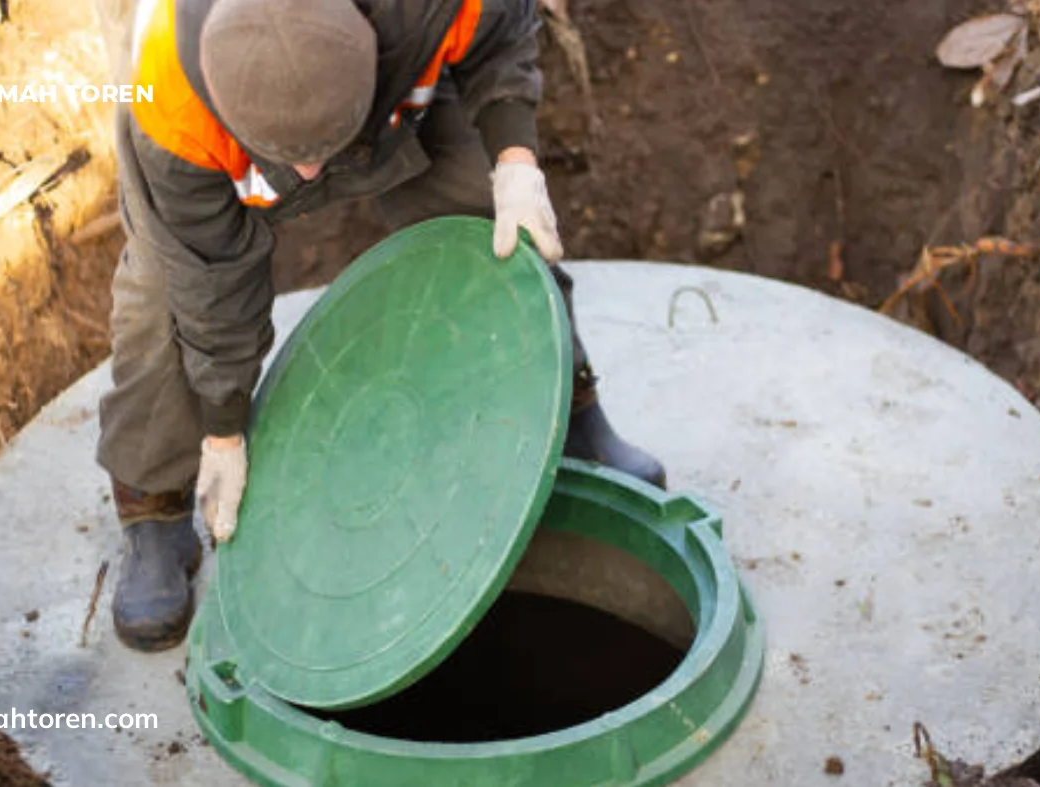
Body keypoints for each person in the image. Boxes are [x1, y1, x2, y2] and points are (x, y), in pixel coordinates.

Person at [98, 0, 666, 652]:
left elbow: (502, 32)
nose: (309, 178)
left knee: (490, 214)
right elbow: (212, 283)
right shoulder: (167, 101)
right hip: (214, 145)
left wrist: (514, 157)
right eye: (296, 161)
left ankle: (564, 403)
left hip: (391, 101)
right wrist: (223, 430)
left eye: (320, 154)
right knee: (163, 301)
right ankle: (154, 506)